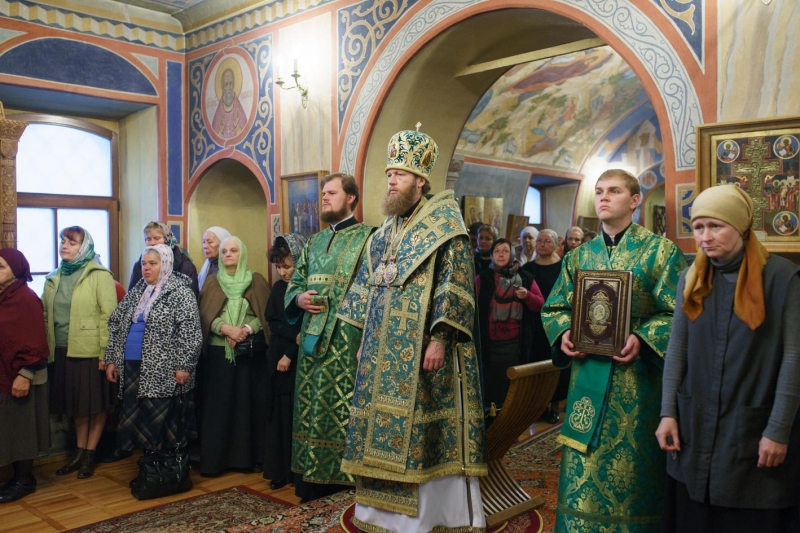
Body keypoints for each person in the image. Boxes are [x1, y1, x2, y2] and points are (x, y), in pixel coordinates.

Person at [338, 128, 487, 532]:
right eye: (389, 174)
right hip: (380, 350)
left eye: (399, 174)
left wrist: (440, 338)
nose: (391, 180)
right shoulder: (384, 232)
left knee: (422, 435)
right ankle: (377, 514)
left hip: (425, 351)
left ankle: (430, 517)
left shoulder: (445, 226)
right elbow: (369, 284)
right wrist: (365, 338)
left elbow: (455, 284)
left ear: (420, 181)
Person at [542, 169, 686, 533]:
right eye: (599, 191)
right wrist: (564, 333)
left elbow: (678, 313)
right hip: (586, 377)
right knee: (582, 466)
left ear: (634, 200)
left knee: (631, 470)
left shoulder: (660, 251)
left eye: (614, 191)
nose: (603, 197)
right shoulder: (578, 256)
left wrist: (643, 336)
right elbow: (555, 307)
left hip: (636, 384)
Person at [656, 185, 800, 533]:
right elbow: (677, 349)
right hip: (695, 423)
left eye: (716, 226)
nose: (705, 237)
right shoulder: (691, 278)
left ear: (740, 226)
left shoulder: (783, 279)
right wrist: (668, 413)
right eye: (698, 227)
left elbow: (794, 359)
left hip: (752, 426)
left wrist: (778, 430)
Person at [285, 172, 374, 502]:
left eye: (332, 193)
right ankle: (311, 482)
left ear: (351, 198)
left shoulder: (369, 238)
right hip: (311, 339)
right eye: (323, 193)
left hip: (347, 340)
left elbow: (373, 288)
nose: (324, 197)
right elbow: (296, 283)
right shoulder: (314, 241)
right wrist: (299, 299)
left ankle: (343, 482)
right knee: (310, 407)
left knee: (341, 409)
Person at [104, 244, 201, 485]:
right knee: (137, 419)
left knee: (159, 421)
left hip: (163, 370)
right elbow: (116, 323)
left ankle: (163, 475)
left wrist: (184, 365)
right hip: (132, 367)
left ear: (165, 264)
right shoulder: (139, 289)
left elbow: (191, 333)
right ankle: (149, 471)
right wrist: (113, 359)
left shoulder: (180, 292)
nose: (146, 268)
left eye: (153, 264)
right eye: (144, 264)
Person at [42, 227, 118, 479]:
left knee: (94, 404)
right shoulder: (53, 277)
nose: (64, 246)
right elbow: (45, 315)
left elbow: (110, 316)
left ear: (84, 247)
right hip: (62, 349)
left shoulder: (99, 275)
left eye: (71, 242)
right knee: (76, 405)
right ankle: (79, 450)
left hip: (90, 351)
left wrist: (106, 353)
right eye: (63, 241)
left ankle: (89, 454)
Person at [198, 236, 270, 476]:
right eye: (224, 251)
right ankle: (217, 461)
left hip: (249, 354)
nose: (228, 254)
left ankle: (248, 459)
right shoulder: (212, 282)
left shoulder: (256, 280)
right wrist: (226, 329)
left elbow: (264, 315)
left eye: (233, 250)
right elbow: (204, 314)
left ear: (243, 254)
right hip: (219, 354)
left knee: (247, 406)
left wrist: (245, 330)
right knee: (220, 407)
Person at [0, 250, 50, 503]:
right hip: (3, 374)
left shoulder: (26, 299)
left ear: (17, 270)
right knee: (9, 427)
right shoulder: (3, 297)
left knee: (23, 428)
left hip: (22, 375)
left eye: (1, 267)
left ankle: (24, 479)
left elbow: (37, 342)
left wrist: (25, 375)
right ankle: (15, 477)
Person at [477, 238, 544, 413]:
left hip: (515, 345)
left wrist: (527, 296)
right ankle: (491, 418)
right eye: (497, 251)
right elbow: (474, 307)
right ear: (492, 255)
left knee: (511, 386)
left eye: (505, 251)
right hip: (490, 345)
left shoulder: (525, 277)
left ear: (512, 254)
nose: (501, 255)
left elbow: (540, 304)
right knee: (491, 385)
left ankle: (510, 419)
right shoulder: (483, 278)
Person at [263, 233, 306, 490]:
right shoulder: (279, 288)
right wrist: (292, 339)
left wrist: (290, 353)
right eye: (279, 267)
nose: (283, 272)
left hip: (297, 360)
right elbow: (273, 321)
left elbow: (306, 327)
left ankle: (298, 472)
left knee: (294, 414)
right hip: (278, 358)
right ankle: (280, 470)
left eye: (287, 266)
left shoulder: (307, 289)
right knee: (279, 414)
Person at [521, 228, 565, 424]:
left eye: (547, 241)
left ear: (555, 245)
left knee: (555, 362)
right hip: (534, 323)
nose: (542, 244)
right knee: (536, 362)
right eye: (539, 241)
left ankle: (554, 405)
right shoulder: (528, 268)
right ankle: (539, 406)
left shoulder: (563, 267)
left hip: (556, 323)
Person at [128, 222, 199, 298]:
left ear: (167, 239)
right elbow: (131, 297)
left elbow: (192, 298)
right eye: (148, 239)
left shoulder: (185, 266)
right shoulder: (139, 266)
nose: (152, 243)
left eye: (157, 238)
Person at [212, 68, 248, 139]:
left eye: (230, 83)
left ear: (233, 84)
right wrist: (220, 132)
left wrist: (237, 127)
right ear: (222, 86)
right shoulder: (218, 113)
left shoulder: (239, 109)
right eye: (226, 84)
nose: (228, 87)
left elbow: (245, 134)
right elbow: (214, 135)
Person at [197, 226, 231, 291]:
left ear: (223, 244)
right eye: (203, 242)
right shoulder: (209, 265)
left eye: (210, 242)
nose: (205, 246)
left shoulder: (230, 269)